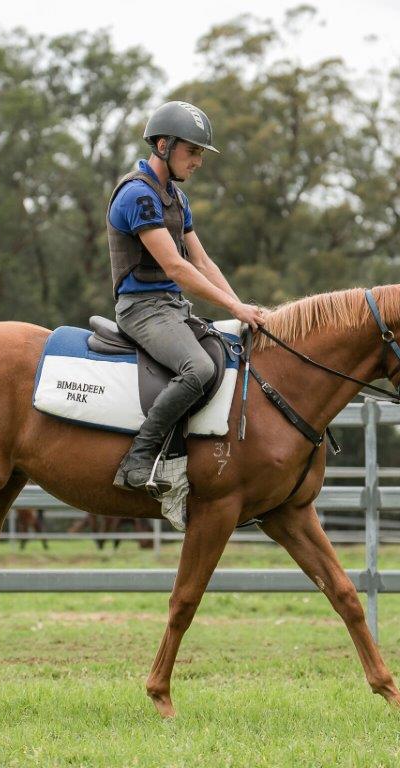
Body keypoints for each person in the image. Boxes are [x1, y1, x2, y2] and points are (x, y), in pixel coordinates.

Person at [107, 101, 265, 495]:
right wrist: (233, 307)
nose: (198, 162)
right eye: (192, 151)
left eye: (200, 154)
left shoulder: (176, 197)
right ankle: (139, 457)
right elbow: (178, 269)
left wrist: (242, 308)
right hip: (142, 310)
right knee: (198, 368)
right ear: (163, 145)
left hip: (173, 309)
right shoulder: (137, 196)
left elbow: (202, 260)